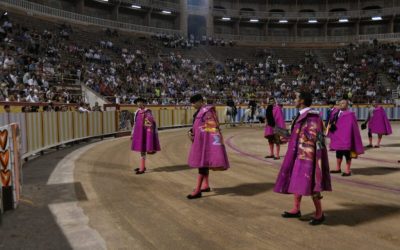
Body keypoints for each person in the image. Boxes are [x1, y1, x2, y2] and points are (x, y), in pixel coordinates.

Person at [274, 91, 331, 226]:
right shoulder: (301, 115)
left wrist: (311, 159)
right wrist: (278, 132)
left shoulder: (312, 116)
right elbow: (295, 134)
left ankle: (319, 213)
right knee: (296, 179)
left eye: (296, 98)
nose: (294, 100)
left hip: (307, 156)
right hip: (297, 153)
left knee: (311, 182)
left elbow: (313, 138)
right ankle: (296, 209)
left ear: (302, 100)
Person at [187, 94, 229, 199]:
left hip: (205, 142)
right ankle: (205, 186)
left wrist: (199, 133)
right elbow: (197, 125)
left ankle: (197, 190)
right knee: (203, 163)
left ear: (200, 101)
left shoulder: (207, 111)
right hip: (202, 141)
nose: (192, 105)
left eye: (194, 103)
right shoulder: (201, 111)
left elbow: (211, 128)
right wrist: (191, 131)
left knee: (202, 165)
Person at [327, 99, 364, 176]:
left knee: (347, 153)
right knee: (338, 153)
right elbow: (332, 122)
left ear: (347, 105)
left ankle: (347, 170)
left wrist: (351, 137)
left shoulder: (350, 114)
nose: (341, 104)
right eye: (340, 103)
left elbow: (353, 127)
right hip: (338, 136)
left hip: (346, 137)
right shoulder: (336, 112)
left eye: (343, 103)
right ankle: (338, 168)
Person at [131, 97, 161, 174]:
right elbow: (135, 124)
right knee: (141, 150)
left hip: (144, 133)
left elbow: (149, 124)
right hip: (139, 133)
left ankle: (142, 168)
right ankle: (142, 166)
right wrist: (132, 133)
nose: (138, 104)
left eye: (140, 102)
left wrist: (148, 135)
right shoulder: (137, 112)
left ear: (144, 103)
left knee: (142, 150)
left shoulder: (147, 112)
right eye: (137, 102)